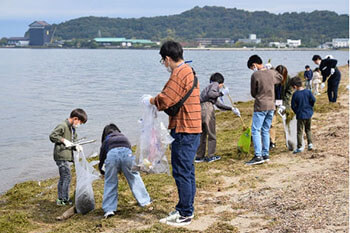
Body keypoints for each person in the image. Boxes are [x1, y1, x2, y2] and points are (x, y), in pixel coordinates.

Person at [143, 40, 201, 226]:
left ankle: (185, 214)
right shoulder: (189, 70)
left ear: (167, 58)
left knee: (182, 171)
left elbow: (166, 99)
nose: (164, 65)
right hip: (192, 127)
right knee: (187, 171)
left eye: (163, 61)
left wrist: (150, 100)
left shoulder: (179, 72)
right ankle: (184, 207)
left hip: (184, 128)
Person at [98, 123, 151, 218]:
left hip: (112, 155)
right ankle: (145, 202)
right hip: (127, 155)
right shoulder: (123, 137)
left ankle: (109, 210)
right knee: (134, 177)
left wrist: (102, 172)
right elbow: (129, 150)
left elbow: (102, 158)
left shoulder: (107, 139)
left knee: (110, 182)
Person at [195, 72, 240, 163]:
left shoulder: (207, 88)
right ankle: (211, 156)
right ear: (220, 82)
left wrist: (231, 109)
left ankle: (199, 156)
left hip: (199, 109)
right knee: (211, 133)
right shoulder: (214, 84)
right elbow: (212, 94)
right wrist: (222, 93)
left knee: (202, 134)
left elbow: (219, 105)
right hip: (207, 109)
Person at [245, 55, 282, 165]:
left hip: (260, 105)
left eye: (252, 67)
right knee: (266, 129)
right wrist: (272, 68)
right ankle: (265, 154)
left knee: (256, 130)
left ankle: (258, 155)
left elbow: (253, 93)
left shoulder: (255, 75)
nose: (253, 69)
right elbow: (280, 78)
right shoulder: (271, 73)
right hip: (271, 105)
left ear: (254, 64)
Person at [49, 108, 87, 206]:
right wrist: (63, 140)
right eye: (80, 122)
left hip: (66, 155)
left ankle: (60, 199)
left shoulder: (72, 128)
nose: (79, 125)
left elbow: (73, 141)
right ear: (75, 118)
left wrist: (76, 146)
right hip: (61, 155)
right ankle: (64, 199)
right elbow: (52, 136)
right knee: (67, 176)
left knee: (63, 177)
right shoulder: (63, 125)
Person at [269, 65, 293, 149]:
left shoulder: (288, 79)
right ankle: (272, 142)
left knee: (287, 123)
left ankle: (289, 141)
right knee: (271, 123)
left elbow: (289, 92)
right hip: (272, 103)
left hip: (284, 103)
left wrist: (284, 103)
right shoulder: (271, 79)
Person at [290, 77, 316, 153]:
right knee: (308, 129)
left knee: (299, 131)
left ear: (294, 86)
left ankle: (300, 147)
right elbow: (313, 100)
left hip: (300, 115)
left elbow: (293, 105)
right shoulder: (308, 92)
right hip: (308, 113)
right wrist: (310, 107)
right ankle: (310, 144)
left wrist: (296, 111)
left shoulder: (295, 94)